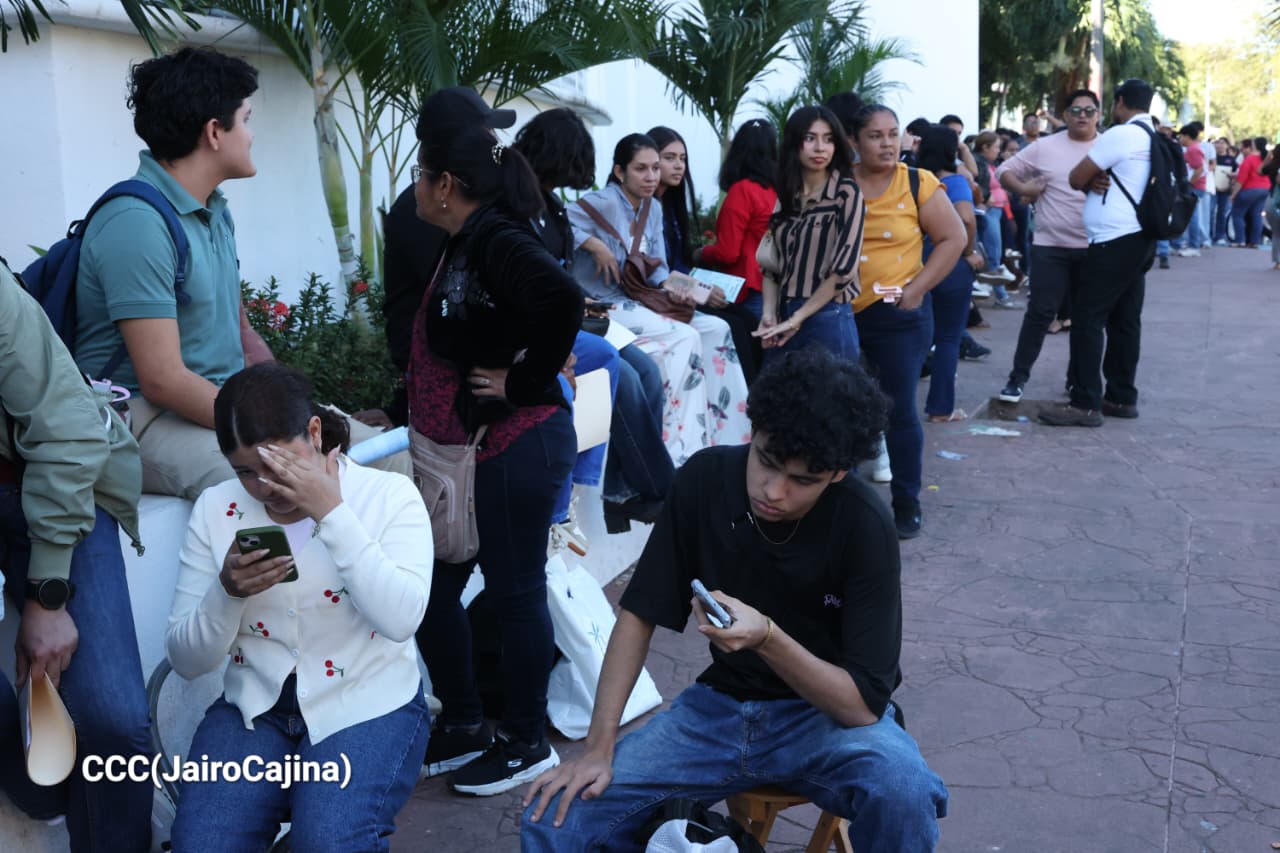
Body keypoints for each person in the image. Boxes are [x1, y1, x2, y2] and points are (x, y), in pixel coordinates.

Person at [520, 348, 948, 853]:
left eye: (802, 480)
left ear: (837, 474)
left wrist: (767, 637)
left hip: (825, 720)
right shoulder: (704, 479)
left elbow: (859, 707)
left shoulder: (865, 523)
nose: (774, 491)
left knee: (905, 791)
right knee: (554, 816)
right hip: (716, 712)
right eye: (766, 461)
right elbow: (638, 615)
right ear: (753, 429)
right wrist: (598, 747)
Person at [73, 47, 408, 503]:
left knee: (387, 456)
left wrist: (293, 406)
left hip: (224, 403)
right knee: (275, 479)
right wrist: (271, 426)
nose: (251, 136)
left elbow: (242, 331)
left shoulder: (214, 211)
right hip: (142, 417)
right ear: (214, 132)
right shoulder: (137, 222)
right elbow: (162, 380)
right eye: (246, 120)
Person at [165, 363, 432, 851]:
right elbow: (187, 660)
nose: (264, 485)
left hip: (366, 701)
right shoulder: (217, 508)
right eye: (245, 472)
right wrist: (226, 592)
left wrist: (332, 513)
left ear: (313, 432)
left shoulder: (386, 497)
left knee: (330, 840)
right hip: (254, 708)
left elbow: (402, 619)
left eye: (277, 463)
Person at [408, 87, 582, 795]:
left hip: (517, 445)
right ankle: (464, 724)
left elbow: (562, 300)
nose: (415, 187)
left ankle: (525, 741)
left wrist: (524, 383)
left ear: (446, 184)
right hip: (473, 456)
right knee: (432, 594)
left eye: (420, 175)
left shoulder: (496, 237)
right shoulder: (468, 235)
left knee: (515, 594)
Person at [0, 260, 152, 852]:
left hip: (48, 483)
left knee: (111, 718)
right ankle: (42, 792)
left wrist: (47, 597)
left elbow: (68, 434)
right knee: (43, 777)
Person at [515, 110, 674, 534]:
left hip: (574, 314)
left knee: (647, 372)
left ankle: (622, 492)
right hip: (544, 324)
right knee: (617, 372)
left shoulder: (548, 204)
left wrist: (577, 300)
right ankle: (657, 489)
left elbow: (556, 271)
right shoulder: (519, 204)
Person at [569, 134, 752, 466]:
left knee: (718, 329)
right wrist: (593, 245)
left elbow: (659, 272)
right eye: (641, 169)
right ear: (619, 171)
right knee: (685, 337)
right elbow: (559, 222)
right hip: (602, 304)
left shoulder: (653, 208)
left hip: (638, 300)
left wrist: (692, 290)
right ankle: (682, 451)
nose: (651, 176)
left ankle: (732, 437)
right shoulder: (604, 201)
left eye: (655, 168)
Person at [849, 105, 966, 538]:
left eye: (892, 134)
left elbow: (954, 237)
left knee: (898, 410)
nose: (886, 143)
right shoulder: (838, 184)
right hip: (840, 313)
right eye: (875, 135)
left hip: (898, 317)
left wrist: (917, 289)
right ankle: (842, 504)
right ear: (854, 142)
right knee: (841, 406)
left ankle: (906, 502)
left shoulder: (916, 182)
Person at [1041, 79, 1158, 427]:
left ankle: (1085, 402)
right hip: (1140, 239)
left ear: (1120, 102)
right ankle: (1121, 397)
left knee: (1087, 318)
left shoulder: (1121, 134)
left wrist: (1090, 179)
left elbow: (1077, 177)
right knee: (1125, 321)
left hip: (1114, 239)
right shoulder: (1154, 137)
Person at [995, 89, 1100, 404]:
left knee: (1086, 320)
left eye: (1089, 110)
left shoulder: (1108, 146)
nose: (1082, 116)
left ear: (1098, 115)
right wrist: (1024, 188)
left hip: (1094, 247)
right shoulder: (1045, 146)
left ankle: (1077, 380)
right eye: (1076, 110)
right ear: (1065, 115)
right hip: (1049, 246)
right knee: (1040, 312)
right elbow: (1003, 171)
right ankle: (1017, 379)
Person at [650, 125, 761, 385]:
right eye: (669, 158)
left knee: (745, 319)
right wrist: (701, 290)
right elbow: (656, 273)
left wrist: (704, 286)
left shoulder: (671, 207)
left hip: (680, 289)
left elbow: (680, 264)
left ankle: (754, 400)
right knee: (731, 325)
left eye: (683, 158)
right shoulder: (646, 208)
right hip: (658, 295)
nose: (679, 165)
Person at [754, 105, 864, 362]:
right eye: (810, 138)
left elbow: (844, 270)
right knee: (777, 388)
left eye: (828, 139)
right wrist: (768, 314)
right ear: (795, 143)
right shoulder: (786, 196)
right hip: (784, 316)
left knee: (833, 389)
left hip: (828, 317)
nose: (820, 148)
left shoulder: (846, 193)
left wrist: (798, 319)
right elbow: (771, 265)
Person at [916, 124, 980, 423]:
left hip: (914, 264)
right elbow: (967, 220)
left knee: (912, 337)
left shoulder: (912, 179)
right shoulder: (953, 182)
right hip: (950, 263)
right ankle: (941, 408)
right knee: (948, 338)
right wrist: (968, 252)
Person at [695, 118, 779, 325]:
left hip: (746, 290)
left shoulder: (742, 191)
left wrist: (701, 253)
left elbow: (728, 253)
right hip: (774, 287)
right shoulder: (779, 191)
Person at [1230, 136, 1270, 249]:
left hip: (1250, 189)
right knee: (1257, 215)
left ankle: (1240, 240)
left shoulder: (1249, 159)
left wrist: (1233, 194)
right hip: (1265, 188)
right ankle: (1255, 242)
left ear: (1253, 145)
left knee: (1237, 214)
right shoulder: (1267, 159)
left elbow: (1241, 179)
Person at [1174, 123, 1208, 256]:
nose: (1180, 139)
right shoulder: (1194, 148)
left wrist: (1189, 184)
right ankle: (1185, 244)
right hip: (1196, 186)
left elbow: (1199, 169)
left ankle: (1194, 246)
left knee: (1191, 216)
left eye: (1181, 136)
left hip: (1195, 187)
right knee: (1190, 216)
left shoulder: (1193, 149)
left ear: (1187, 136)